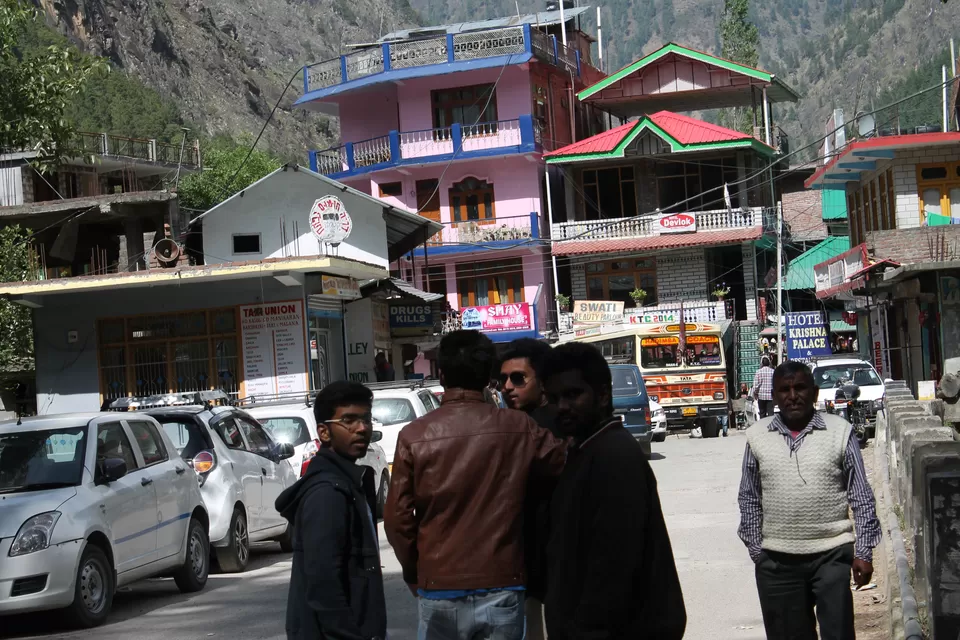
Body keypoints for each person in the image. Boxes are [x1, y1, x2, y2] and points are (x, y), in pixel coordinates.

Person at [384, 330, 567, 640]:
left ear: (441, 375)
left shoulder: (414, 436)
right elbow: (565, 465)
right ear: (488, 376)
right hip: (503, 582)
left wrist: (417, 572)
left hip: (438, 587)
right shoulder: (521, 428)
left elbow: (397, 520)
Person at [538, 343, 686, 640]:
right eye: (554, 398)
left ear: (603, 395)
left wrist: (585, 629)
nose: (562, 406)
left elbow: (614, 562)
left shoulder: (613, 455)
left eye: (572, 394)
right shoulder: (583, 449)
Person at [738, 361, 882, 640]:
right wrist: (759, 552)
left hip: (831, 555)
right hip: (777, 563)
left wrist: (863, 553)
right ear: (775, 395)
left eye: (800, 387)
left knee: (838, 634)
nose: (793, 395)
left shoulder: (840, 432)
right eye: (785, 390)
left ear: (814, 393)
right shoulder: (757, 436)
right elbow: (749, 497)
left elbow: (861, 495)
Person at [275, 381, 386, 640]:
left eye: (366, 419)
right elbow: (322, 582)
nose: (361, 428)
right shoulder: (328, 493)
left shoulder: (347, 481)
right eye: (349, 420)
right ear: (324, 433)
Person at [499, 338, 559, 640]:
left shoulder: (556, 426)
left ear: (543, 381)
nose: (507, 386)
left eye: (518, 378)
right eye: (503, 379)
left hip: (557, 567)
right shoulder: (512, 426)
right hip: (524, 571)